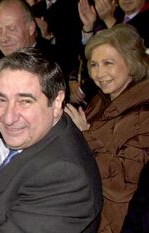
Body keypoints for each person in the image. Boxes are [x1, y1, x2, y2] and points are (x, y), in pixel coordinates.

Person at [0, 48, 103, 233]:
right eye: (1, 100)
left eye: (25, 101)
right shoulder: (26, 130)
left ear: (57, 101)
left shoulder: (64, 177)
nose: (8, 117)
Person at [65, 24, 149, 233]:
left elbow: (124, 184)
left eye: (108, 63)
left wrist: (86, 136)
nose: (99, 73)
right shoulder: (100, 101)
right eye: (94, 65)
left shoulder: (145, 114)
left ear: (131, 64)